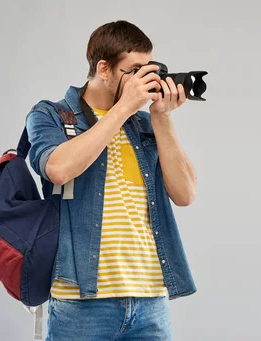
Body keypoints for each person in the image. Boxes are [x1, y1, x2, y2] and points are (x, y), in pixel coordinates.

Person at [25, 20, 198, 341]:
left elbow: (186, 193)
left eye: (149, 69)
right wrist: (123, 107)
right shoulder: (51, 115)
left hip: (150, 300)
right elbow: (59, 170)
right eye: (134, 70)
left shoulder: (145, 124)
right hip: (82, 302)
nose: (144, 80)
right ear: (104, 68)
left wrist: (161, 118)